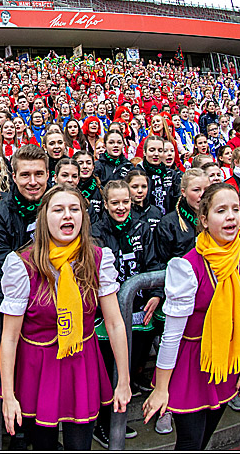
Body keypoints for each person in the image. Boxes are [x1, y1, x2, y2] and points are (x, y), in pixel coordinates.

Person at [0, 185, 132, 450]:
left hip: (81, 362)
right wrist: (9, 395)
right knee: (43, 445)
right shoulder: (22, 265)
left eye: (74, 209)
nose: (67, 216)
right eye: (58, 210)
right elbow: (10, 338)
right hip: (37, 366)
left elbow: (115, 323)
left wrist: (124, 381)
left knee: (80, 445)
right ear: (44, 218)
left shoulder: (97, 259)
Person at [142, 182, 240, 450]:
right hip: (191, 361)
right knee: (190, 442)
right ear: (204, 220)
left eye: (235, 209)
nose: (231, 216)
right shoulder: (187, 267)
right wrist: (161, 387)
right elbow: (172, 334)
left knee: (206, 436)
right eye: (221, 210)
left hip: (227, 358)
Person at [89, 180, 158, 446]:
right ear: (105, 204)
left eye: (125, 202)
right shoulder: (95, 232)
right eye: (115, 202)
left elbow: (153, 262)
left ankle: (118, 417)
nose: (121, 207)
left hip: (140, 314)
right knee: (108, 373)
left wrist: (155, 294)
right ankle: (103, 423)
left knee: (127, 367)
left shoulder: (142, 227)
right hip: (105, 319)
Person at [0, 144, 49, 301]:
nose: (33, 182)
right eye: (25, 175)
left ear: (48, 175)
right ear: (14, 177)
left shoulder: (63, 208)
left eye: (39, 174)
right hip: (20, 301)